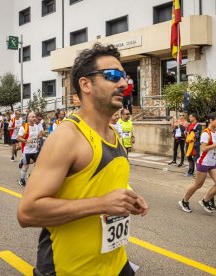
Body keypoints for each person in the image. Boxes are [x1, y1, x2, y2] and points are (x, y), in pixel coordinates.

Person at [17, 43, 148, 275]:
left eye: (124, 77)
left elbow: (101, 185)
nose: (123, 84)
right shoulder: (67, 137)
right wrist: (103, 203)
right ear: (85, 84)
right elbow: (27, 213)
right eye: (112, 76)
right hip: (68, 269)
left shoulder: (114, 134)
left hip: (116, 265)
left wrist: (129, 197)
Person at [179, 113, 216, 213]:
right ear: (211, 120)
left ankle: (205, 200)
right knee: (198, 185)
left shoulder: (215, 133)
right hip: (203, 163)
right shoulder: (205, 133)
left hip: (212, 163)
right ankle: (184, 201)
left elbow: (214, 147)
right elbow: (203, 148)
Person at [17, 112, 44, 186]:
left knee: (39, 163)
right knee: (26, 166)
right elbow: (18, 138)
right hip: (27, 151)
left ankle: (31, 175)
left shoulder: (36, 126)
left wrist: (39, 137)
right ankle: (22, 180)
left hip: (35, 150)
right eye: (32, 117)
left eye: (35, 117)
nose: (34, 118)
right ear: (28, 118)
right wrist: (26, 140)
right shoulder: (24, 126)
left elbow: (37, 136)